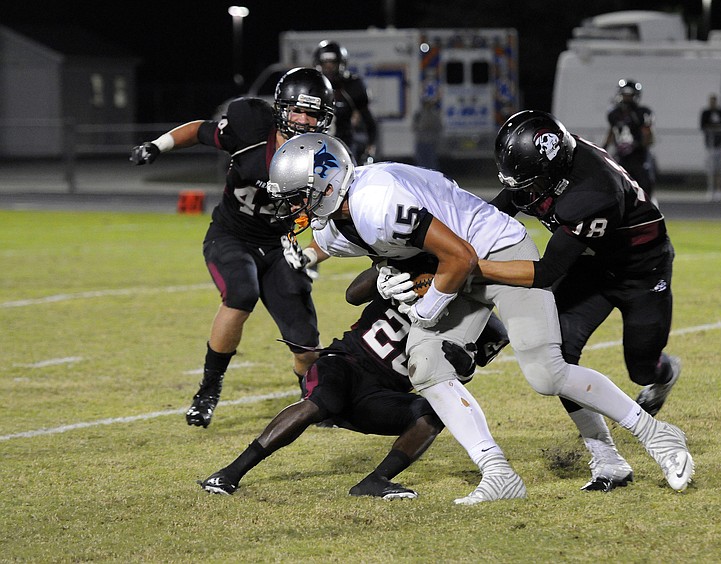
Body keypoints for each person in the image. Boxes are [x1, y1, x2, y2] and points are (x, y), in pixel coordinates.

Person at [266, 133, 694, 504]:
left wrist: (428, 303)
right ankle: (499, 474)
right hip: (455, 265)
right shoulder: (334, 225)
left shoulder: (376, 201)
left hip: (495, 250)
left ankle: (657, 435)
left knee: (546, 372)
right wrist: (379, 278)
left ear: (324, 185)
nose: (291, 210)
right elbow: (386, 261)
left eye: (295, 197)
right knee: (426, 365)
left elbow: (460, 257)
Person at [484, 109, 683, 492]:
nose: (523, 192)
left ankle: (662, 373)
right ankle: (608, 459)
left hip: (642, 272)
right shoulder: (541, 166)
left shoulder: (594, 191)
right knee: (556, 358)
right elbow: (491, 215)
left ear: (554, 169)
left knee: (641, 368)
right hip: (592, 268)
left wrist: (474, 269)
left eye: (530, 183)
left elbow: (546, 272)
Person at [129, 68, 335, 428]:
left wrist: (312, 253)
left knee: (305, 344)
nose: (303, 120)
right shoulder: (250, 126)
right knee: (241, 293)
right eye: (297, 110)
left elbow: (339, 224)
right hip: (231, 235)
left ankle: (312, 400)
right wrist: (157, 146)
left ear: (324, 119)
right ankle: (208, 390)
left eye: (313, 113)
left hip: (278, 245)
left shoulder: (327, 161)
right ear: (281, 108)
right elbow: (199, 131)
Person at [198, 260, 510, 498]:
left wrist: (464, 366)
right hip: (346, 363)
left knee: (434, 412)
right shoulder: (416, 265)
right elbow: (353, 294)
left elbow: (463, 375)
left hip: (383, 394)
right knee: (322, 401)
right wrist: (384, 272)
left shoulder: (483, 321)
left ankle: (376, 480)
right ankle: (229, 473)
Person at [314, 40, 378, 165]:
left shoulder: (351, 86)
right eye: (325, 63)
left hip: (345, 147)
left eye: (332, 63)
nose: (328, 67)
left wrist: (370, 149)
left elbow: (369, 122)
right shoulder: (313, 85)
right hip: (315, 146)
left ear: (341, 63)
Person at [603, 79, 656, 200]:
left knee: (645, 190)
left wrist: (638, 145)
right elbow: (611, 132)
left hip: (639, 157)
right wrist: (604, 148)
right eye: (624, 94)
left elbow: (649, 136)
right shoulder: (614, 113)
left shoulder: (642, 113)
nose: (627, 98)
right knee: (618, 188)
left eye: (630, 95)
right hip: (621, 156)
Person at [700, 94, 721, 202]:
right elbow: (704, 126)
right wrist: (715, 128)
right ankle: (710, 190)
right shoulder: (706, 113)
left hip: (720, 145)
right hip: (710, 146)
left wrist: (718, 129)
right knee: (711, 169)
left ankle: (719, 190)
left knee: (720, 169)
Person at [413, 98, 443, 170]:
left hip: (430, 142)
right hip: (421, 141)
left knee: (430, 162)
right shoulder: (418, 115)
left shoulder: (433, 115)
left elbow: (439, 127)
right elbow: (414, 127)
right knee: (422, 163)